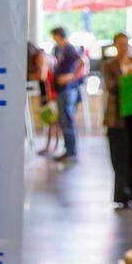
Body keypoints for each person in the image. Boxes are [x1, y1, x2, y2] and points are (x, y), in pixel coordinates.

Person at [102, 33, 132, 207]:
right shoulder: (110, 65)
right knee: (119, 156)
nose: (124, 48)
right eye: (121, 44)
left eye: (126, 44)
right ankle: (122, 194)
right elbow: (110, 86)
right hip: (117, 118)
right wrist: (125, 73)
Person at [50, 26, 84, 162]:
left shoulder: (69, 48)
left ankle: (71, 151)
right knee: (64, 120)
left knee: (67, 120)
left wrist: (71, 77)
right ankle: (68, 149)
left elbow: (82, 62)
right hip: (61, 90)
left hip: (67, 90)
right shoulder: (60, 49)